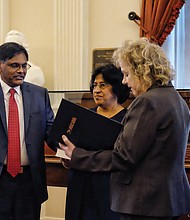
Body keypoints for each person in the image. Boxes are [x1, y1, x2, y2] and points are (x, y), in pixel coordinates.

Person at [60, 38, 190, 220]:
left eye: (127, 74)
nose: (125, 81)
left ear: (142, 71)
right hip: (169, 200)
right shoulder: (176, 99)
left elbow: (124, 157)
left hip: (144, 203)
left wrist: (77, 155)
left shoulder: (147, 102)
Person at [63, 64, 130, 220]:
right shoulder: (84, 115)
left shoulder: (127, 119)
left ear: (117, 87)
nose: (96, 90)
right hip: (79, 184)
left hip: (108, 188)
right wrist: (66, 158)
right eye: (94, 85)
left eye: (103, 85)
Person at [0, 42, 56, 220]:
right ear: (0, 65)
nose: (21, 71)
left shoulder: (39, 94)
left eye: (24, 65)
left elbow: (51, 131)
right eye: (14, 65)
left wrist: (74, 149)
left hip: (30, 181)